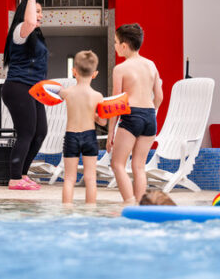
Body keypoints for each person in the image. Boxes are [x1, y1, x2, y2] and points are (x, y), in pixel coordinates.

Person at [2, 0, 48, 190]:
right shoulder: (20, 32)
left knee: (40, 132)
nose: (40, 15)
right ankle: (14, 178)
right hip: (19, 87)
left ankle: (22, 173)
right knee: (27, 132)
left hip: (34, 89)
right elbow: (29, 21)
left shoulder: (36, 36)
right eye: (37, 10)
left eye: (40, 11)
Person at [108, 23, 163, 203]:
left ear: (124, 46)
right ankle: (141, 206)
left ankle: (130, 203)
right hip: (149, 117)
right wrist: (151, 112)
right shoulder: (151, 65)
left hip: (132, 117)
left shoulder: (120, 69)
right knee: (139, 167)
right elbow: (160, 96)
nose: (114, 46)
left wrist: (110, 133)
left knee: (117, 164)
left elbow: (116, 104)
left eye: (115, 42)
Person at [57, 50, 106, 205]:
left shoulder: (67, 92)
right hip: (90, 137)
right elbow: (103, 123)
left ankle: (67, 209)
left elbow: (53, 93)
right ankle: (90, 210)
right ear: (95, 74)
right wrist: (96, 117)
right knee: (90, 178)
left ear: (74, 71)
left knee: (69, 178)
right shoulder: (97, 96)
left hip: (71, 136)